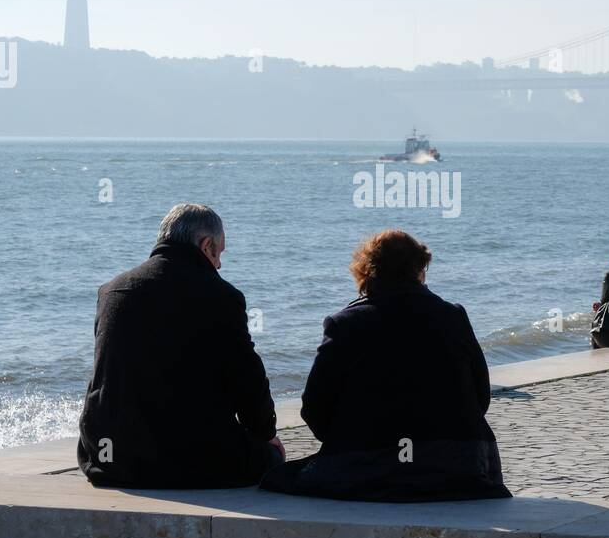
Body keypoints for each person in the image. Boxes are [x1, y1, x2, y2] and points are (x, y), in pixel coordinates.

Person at [260, 229, 511, 502]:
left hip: (372, 464)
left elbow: (315, 406)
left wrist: (348, 439)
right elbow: (480, 398)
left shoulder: (345, 324)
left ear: (365, 273)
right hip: (459, 464)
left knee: (278, 477)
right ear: (420, 271)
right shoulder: (453, 316)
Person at [77, 203, 284, 487]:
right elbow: (247, 379)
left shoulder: (112, 291)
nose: (220, 264)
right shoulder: (221, 296)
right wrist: (265, 434)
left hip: (109, 459)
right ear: (206, 244)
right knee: (270, 457)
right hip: (189, 461)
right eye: (219, 253)